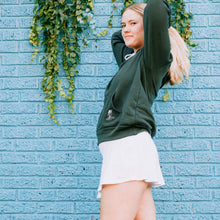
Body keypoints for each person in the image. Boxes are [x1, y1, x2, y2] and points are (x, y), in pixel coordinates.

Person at [96, 0, 190, 219]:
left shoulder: (152, 59)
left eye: (133, 23)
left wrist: (152, 25)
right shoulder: (131, 60)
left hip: (127, 151)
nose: (125, 29)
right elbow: (117, 39)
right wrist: (134, 26)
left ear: (149, 26)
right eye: (123, 23)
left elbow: (157, 8)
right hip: (125, 150)